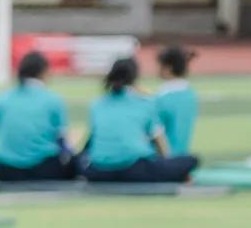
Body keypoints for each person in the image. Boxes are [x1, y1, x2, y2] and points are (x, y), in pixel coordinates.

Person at [83, 53, 200, 185]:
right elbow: (160, 142)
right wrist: (169, 166)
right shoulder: (145, 103)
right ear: (135, 77)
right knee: (191, 160)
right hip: (134, 169)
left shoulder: (97, 104)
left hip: (99, 171)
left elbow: (91, 141)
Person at [0, 50, 82, 185]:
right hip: (44, 170)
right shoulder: (53, 100)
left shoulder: (2, 99)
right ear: (43, 72)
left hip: (7, 171)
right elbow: (62, 142)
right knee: (77, 161)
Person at [156, 44, 200, 160]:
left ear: (168, 68)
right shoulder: (190, 95)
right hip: (182, 158)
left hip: (162, 160)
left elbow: (154, 133)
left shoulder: (161, 99)